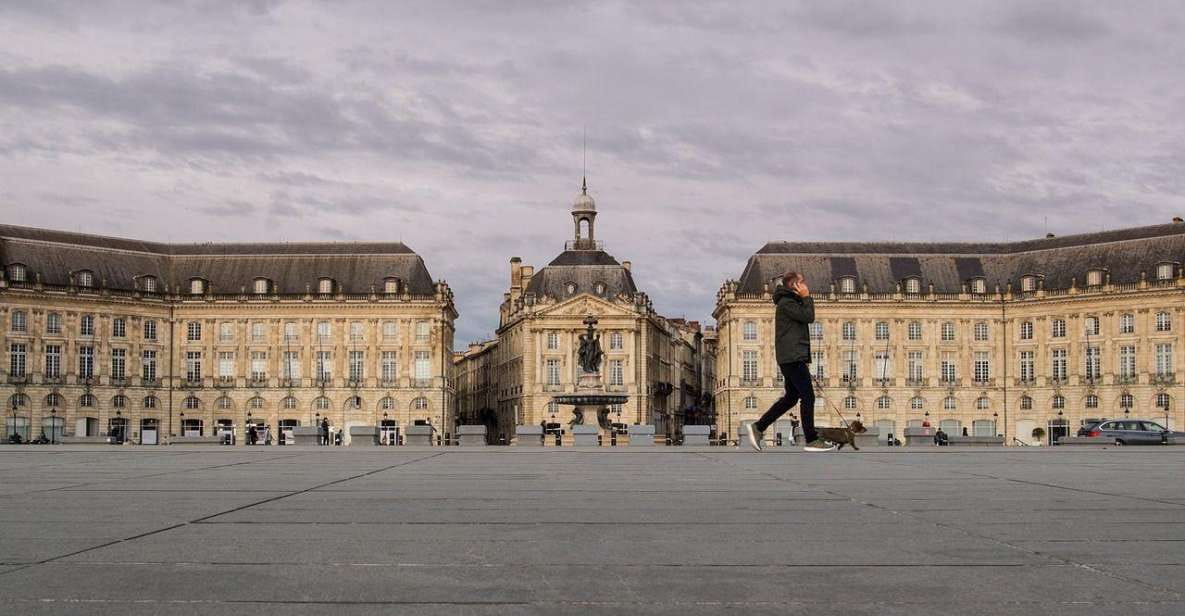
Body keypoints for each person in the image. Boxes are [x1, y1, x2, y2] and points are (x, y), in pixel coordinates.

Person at [745, 271, 836, 452]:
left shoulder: (789, 302)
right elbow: (808, 317)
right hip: (792, 357)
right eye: (802, 282)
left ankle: (759, 427)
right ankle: (811, 440)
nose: (806, 285)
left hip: (791, 356)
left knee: (791, 398)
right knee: (808, 396)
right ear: (795, 285)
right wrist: (806, 297)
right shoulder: (787, 303)